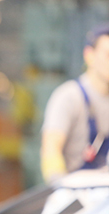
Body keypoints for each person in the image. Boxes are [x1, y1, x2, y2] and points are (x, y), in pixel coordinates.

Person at [41, 23, 109, 184]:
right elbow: (50, 150)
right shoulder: (69, 97)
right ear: (89, 55)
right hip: (76, 197)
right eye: (108, 55)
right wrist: (62, 189)